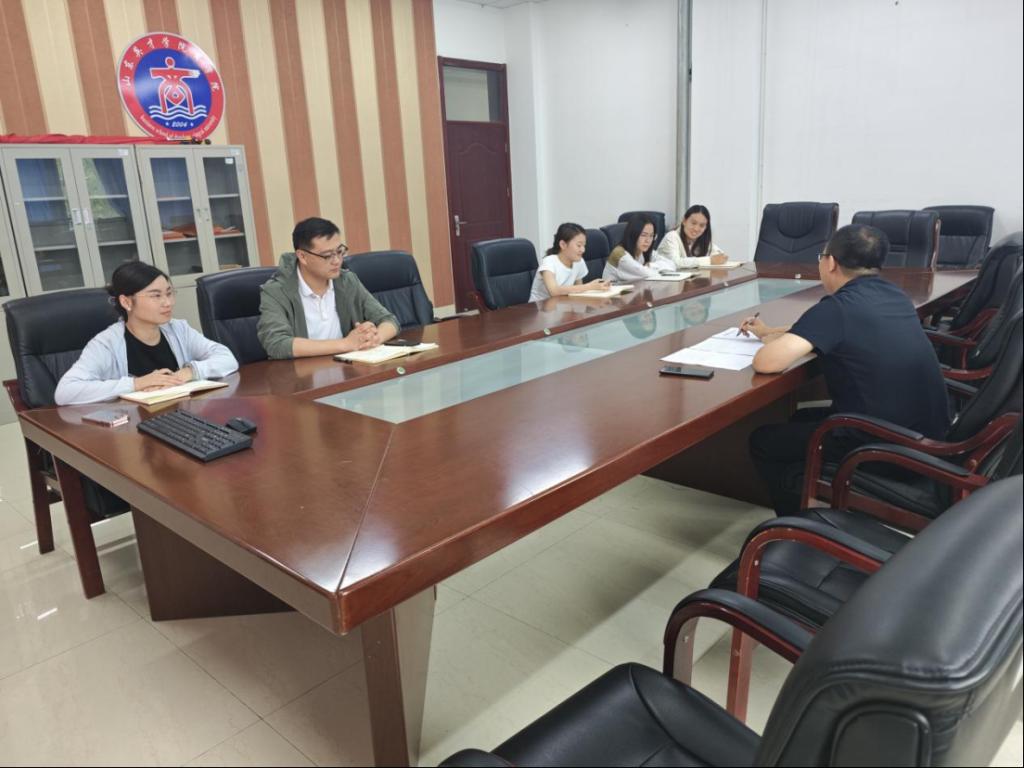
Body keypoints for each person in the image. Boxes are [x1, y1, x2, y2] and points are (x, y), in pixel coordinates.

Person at [741, 224, 950, 516]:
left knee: (764, 441)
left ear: (830, 262)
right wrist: (768, 332)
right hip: (928, 438)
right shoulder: (894, 295)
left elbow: (766, 363)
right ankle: (813, 498)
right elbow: (818, 330)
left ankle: (797, 526)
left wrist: (770, 344)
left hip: (883, 448)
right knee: (800, 418)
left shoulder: (837, 308)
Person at [55, 262, 238, 405]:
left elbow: (227, 358)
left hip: (182, 419)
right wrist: (137, 384)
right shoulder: (107, 343)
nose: (168, 303)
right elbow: (65, 392)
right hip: (132, 429)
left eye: (169, 293)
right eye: (156, 296)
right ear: (126, 302)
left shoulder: (178, 329)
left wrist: (189, 372)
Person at [257, 217, 400, 359]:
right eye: (327, 256)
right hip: (303, 371)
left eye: (339, 252)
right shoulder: (276, 291)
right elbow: (276, 344)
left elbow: (389, 320)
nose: (337, 261)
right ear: (303, 256)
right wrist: (346, 344)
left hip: (347, 367)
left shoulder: (347, 281)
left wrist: (373, 339)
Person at [529, 222, 610, 301]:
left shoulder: (579, 262)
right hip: (538, 307)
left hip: (563, 305)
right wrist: (589, 287)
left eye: (584, 246)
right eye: (579, 245)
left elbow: (579, 290)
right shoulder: (549, 262)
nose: (583, 250)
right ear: (563, 245)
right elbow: (554, 291)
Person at [603, 213, 675, 281]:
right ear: (633, 234)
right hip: (615, 290)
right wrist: (656, 268)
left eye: (651, 236)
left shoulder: (644, 250)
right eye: (643, 235)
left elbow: (672, 265)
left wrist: (650, 265)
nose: (648, 240)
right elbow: (646, 274)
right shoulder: (620, 255)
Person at [656, 204, 729, 268]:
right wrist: (709, 260)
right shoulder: (671, 237)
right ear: (684, 221)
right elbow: (675, 263)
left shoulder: (701, 240)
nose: (696, 229)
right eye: (693, 223)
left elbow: (721, 256)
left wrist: (719, 258)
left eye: (702, 225)